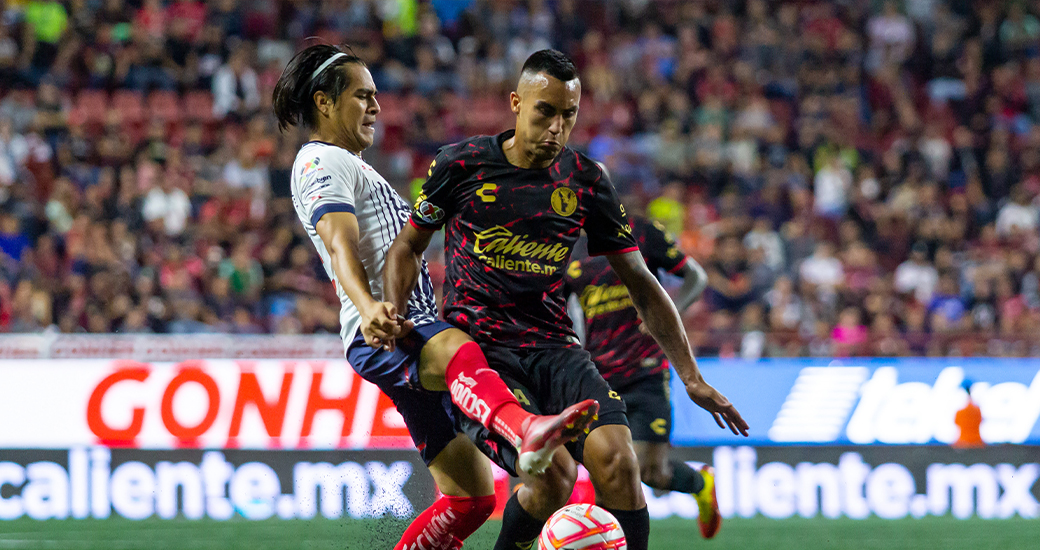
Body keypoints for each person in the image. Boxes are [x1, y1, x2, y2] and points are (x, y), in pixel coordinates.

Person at [384, 49, 748, 550]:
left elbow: (642, 282)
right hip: (483, 357)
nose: (557, 127)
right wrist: (393, 311)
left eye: (568, 115)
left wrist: (691, 377)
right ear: (516, 103)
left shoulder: (585, 180)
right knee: (553, 476)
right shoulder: (461, 164)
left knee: (622, 462)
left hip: (558, 349)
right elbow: (407, 247)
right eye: (545, 111)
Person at [272, 45, 597, 550]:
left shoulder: (355, 166)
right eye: (363, 96)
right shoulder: (321, 160)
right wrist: (369, 304)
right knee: (453, 348)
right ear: (325, 103)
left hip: (396, 327)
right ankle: (524, 428)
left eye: (377, 95)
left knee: (470, 499)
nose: (377, 106)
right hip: (387, 328)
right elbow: (339, 243)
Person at [564, 211, 722, 538]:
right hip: (596, 375)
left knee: (650, 472)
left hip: (646, 370)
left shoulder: (640, 232)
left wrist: (667, 317)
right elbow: (562, 310)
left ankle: (699, 482)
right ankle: (606, 540)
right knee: (612, 469)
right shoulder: (563, 247)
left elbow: (696, 276)